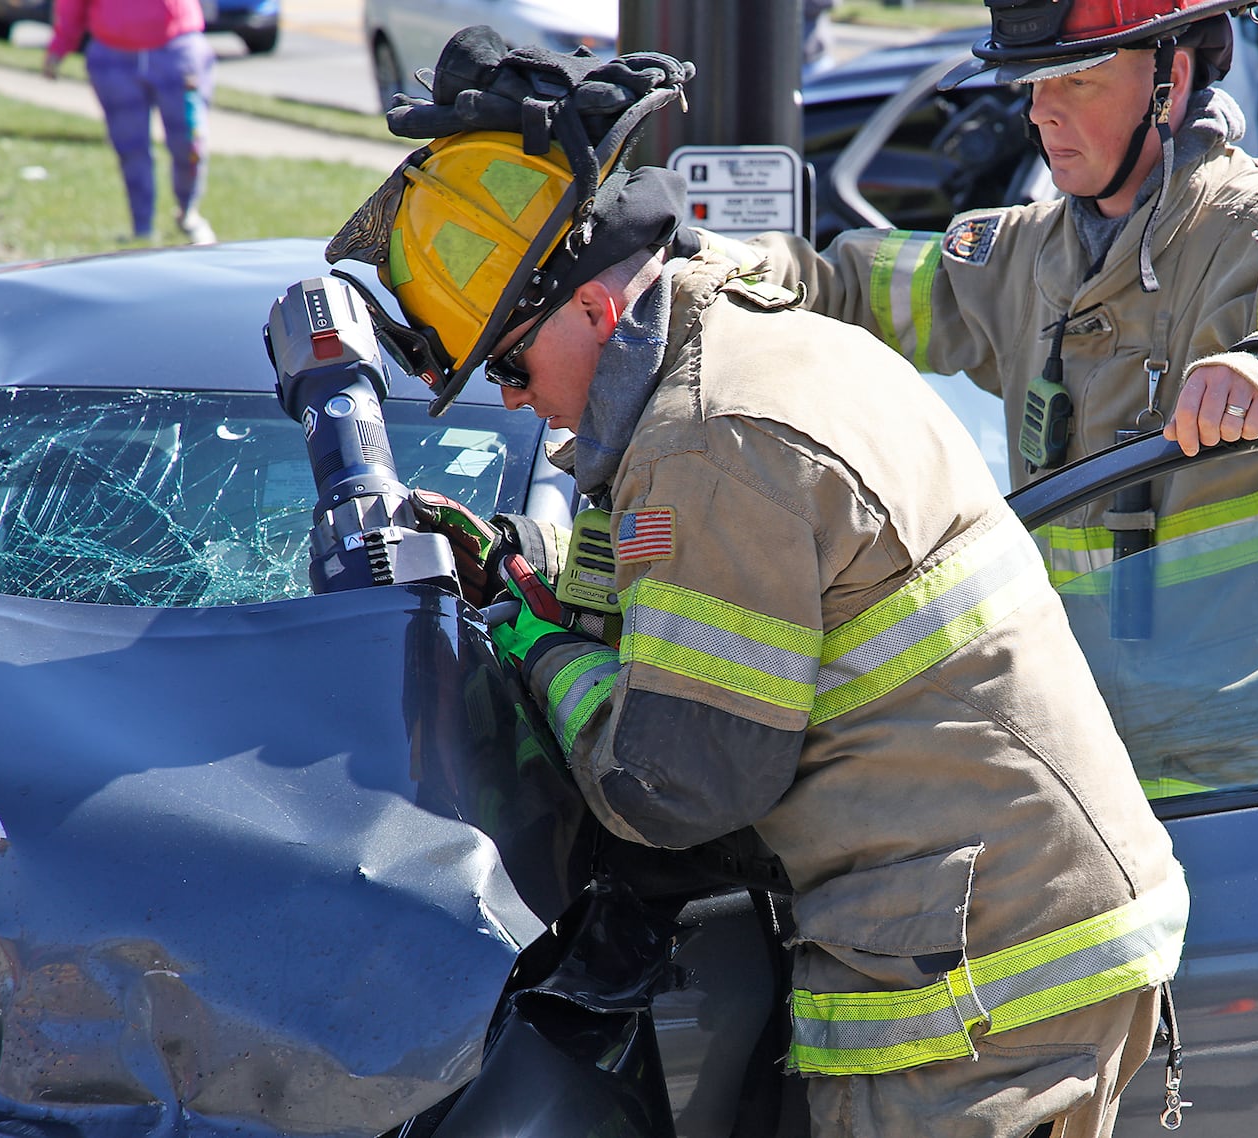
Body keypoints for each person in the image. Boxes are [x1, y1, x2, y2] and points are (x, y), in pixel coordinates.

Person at [327, 25, 1189, 1138]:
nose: (509, 400)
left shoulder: (713, 437)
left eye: (511, 361)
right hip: (1014, 938)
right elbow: (703, 597)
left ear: (593, 308)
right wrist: (524, 566)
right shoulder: (729, 349)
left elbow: (669, 786)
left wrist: (529, 646)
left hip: (983, 994)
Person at [745, 0, 1258, 797]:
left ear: (1170, 80)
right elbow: (846, 286)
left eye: (1075, 78)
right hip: (1091, 752)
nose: (1041, 109)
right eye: (1031, 84)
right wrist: (704, 267)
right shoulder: (1026, 253)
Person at [43, 0, 216, 245]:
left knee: (190, 142)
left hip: (177, 48)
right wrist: (61, 45)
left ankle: (188, 212)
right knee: (131, 148)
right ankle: (142, 228)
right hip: (114, 54)